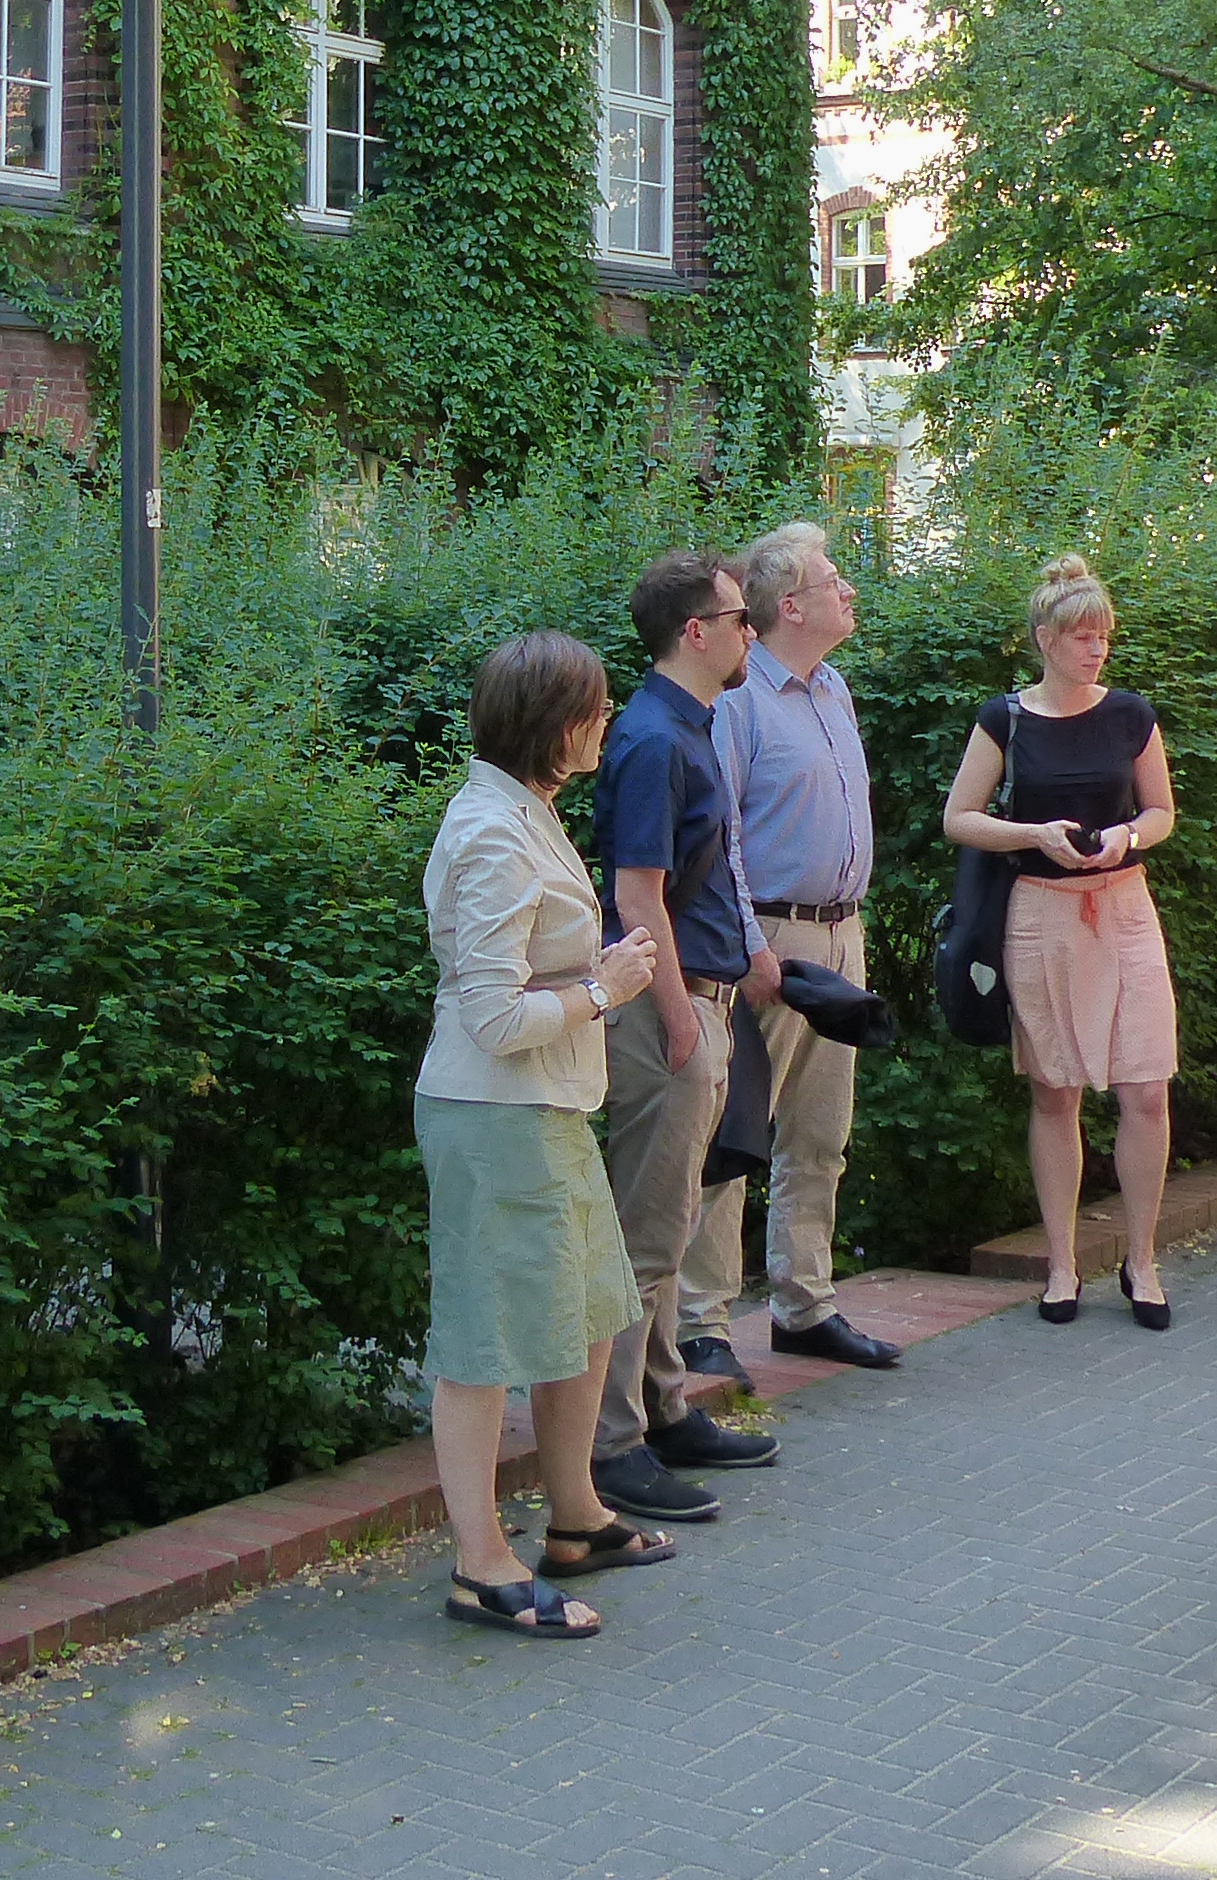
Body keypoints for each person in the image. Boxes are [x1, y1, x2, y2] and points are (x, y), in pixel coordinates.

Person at [416, 629, 667, 1636]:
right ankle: (480, 1566)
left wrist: (593, 981)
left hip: (546, 1107)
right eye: (598, 710)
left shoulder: (523, 809)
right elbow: (490, 1017)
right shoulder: (490, 830)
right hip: (495, 1114)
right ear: (560, 727)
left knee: (588, 1309)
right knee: (483, 1339)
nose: (608, 723)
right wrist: (604, 990)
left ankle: (575, 1519)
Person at [678, 521, 902, 1377]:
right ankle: (700, 1324)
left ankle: (804, 1306)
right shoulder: (738, 701)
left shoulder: (833, 688)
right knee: (732, 1136)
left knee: (820, 1135)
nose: (849, 589)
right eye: (833, 578)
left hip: (841, 933)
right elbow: (720, 835)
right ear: (790, 606)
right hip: (768, 941)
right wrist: (748, 948)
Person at [588, 549, 783, 1524]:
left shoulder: (687, 725)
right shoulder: (654, 740)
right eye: (742, 619)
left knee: (667, 1228)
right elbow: (636, 898)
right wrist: (676, 1018)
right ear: (695, 632)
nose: (754, 632)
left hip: (700, 999)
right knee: (644, 1236)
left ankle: (662, 1407)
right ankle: (609, 1445)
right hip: (667, 1011)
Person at [940, 553, 1183, 1327]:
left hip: (1124, 908)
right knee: (1054, 1089)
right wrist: (1033, 835)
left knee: (1147, 1089)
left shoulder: (1132, 714)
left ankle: (1141, 1262)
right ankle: (1062, 1266)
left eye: (1103, 635)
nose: (1097, 648)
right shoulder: (1003, 718)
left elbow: (1161, 813)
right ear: (1045, 639)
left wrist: (1127, 837)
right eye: (1082, 636)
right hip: (1040, 912)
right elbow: (959, 818)